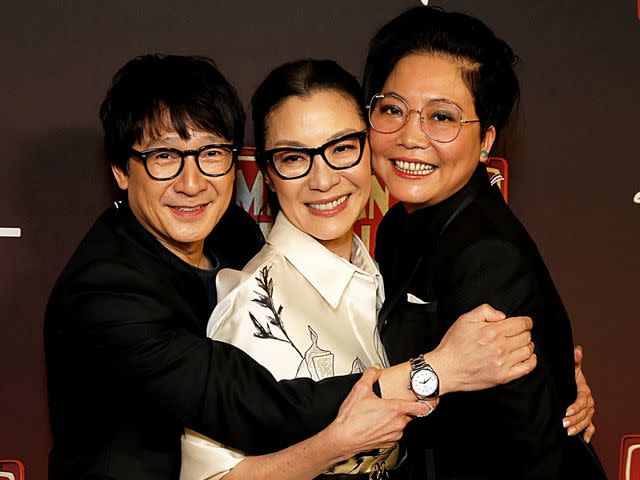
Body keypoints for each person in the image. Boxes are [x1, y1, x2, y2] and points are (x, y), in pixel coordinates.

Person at [44, 54, 537, 480]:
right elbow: (255, 404)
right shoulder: (107, 291)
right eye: (164, 157)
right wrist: (434, 372)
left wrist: (542, 365)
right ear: (119, 170)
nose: (191, 183)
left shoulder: (237, 230)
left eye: (211, 154)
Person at [180, 59, 594, 480]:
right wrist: (332, 446)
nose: (323, 180)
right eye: (293, 158)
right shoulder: (252, 306)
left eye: (342, 148)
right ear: (268, 174)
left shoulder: (384, 261)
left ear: (369, 146)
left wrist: (555, 381)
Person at [363, 6, 606, 479]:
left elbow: (533, 449)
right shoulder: (398, 223)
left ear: (485, 142)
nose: (411, 136)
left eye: (442, 117)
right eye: (392, 109)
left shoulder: (486, 255)